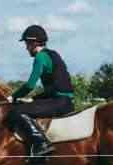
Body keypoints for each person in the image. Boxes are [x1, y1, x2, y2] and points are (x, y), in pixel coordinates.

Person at [8, 25, 74, 156]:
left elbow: (29, 85)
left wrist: (13, 97)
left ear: (33, 43)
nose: (26, 48)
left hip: (58, 103)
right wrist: (35, 99)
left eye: (27, 44)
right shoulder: (53, 54)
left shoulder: (40, 58)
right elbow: (54, 87)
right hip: (65, 101)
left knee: (17, 111)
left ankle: (41, 143)